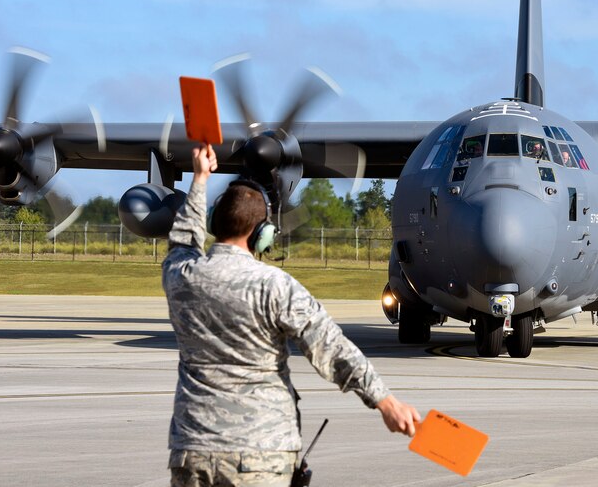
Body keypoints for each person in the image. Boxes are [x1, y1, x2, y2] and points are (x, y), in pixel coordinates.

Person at [162, 144, 420, 487]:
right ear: (262, 235)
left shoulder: (181, 277)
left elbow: (182, 240)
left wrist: (199, 179)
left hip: (191, 452)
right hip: (259, 454)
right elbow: (330, 347)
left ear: (214, 223)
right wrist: (385, 402)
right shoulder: (275, 286)